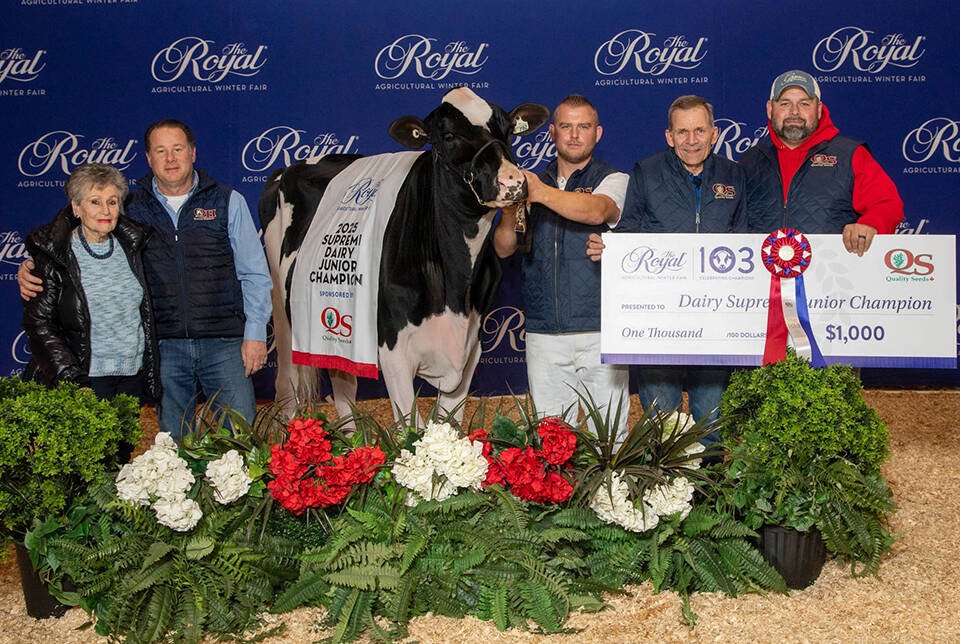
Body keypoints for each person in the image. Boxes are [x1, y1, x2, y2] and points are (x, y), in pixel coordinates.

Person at [19, 120, 272, 440]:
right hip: (163, 345)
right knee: (174, 442)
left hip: (224, 343)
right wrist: (34, 263)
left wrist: (255, 334)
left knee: (238, 434)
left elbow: (254, 274)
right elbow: (80, 215)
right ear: (148, 158)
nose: (170, 159)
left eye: (178, 149)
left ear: (193, 153)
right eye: (160, 151)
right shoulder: (130, 207)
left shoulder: (227, 201)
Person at [587, 95, 746, 423]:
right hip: (657, 318)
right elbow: (629, 230)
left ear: (714, 134)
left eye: (700, 131)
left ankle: (711, 475)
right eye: (683, 132)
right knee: (660, 418)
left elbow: (744, 238)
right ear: (669, 136)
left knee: (711, 419)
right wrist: (611, 249)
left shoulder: (734, 175)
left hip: (715, 318)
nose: (692, 141)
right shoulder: (647, 171)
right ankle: (662, 475)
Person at [493, 94, 630, 440]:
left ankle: (613, 496)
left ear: (597, 133)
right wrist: (510, 208)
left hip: (601, 331)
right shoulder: (532, 184)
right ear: (552, 132)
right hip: (544, 332)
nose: (573, 135)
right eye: (566, 126)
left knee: (611, 438)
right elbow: (504, 247)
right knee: (553, 442)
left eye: (583, 126)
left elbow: (598, 211)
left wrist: (536, 192)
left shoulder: (614, 179)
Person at [22, 163, 160, 403]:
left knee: (126, 442)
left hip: (131, 376)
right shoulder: (55, 254)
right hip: (85, 379)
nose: (105, 210)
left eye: (113, 201)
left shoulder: (136, 246)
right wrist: (73, 380)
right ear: (76, 207)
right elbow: (39, 323)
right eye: (95, 201)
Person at [740, 69, 903, 253]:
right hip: (761, 277)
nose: (794, 112)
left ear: (818, 109)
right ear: (770, 109)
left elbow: (888, 204)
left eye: (804, 103)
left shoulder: (850, 154)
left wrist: (870, 224)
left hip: (834, 275)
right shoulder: (750, 161)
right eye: (785, 103)